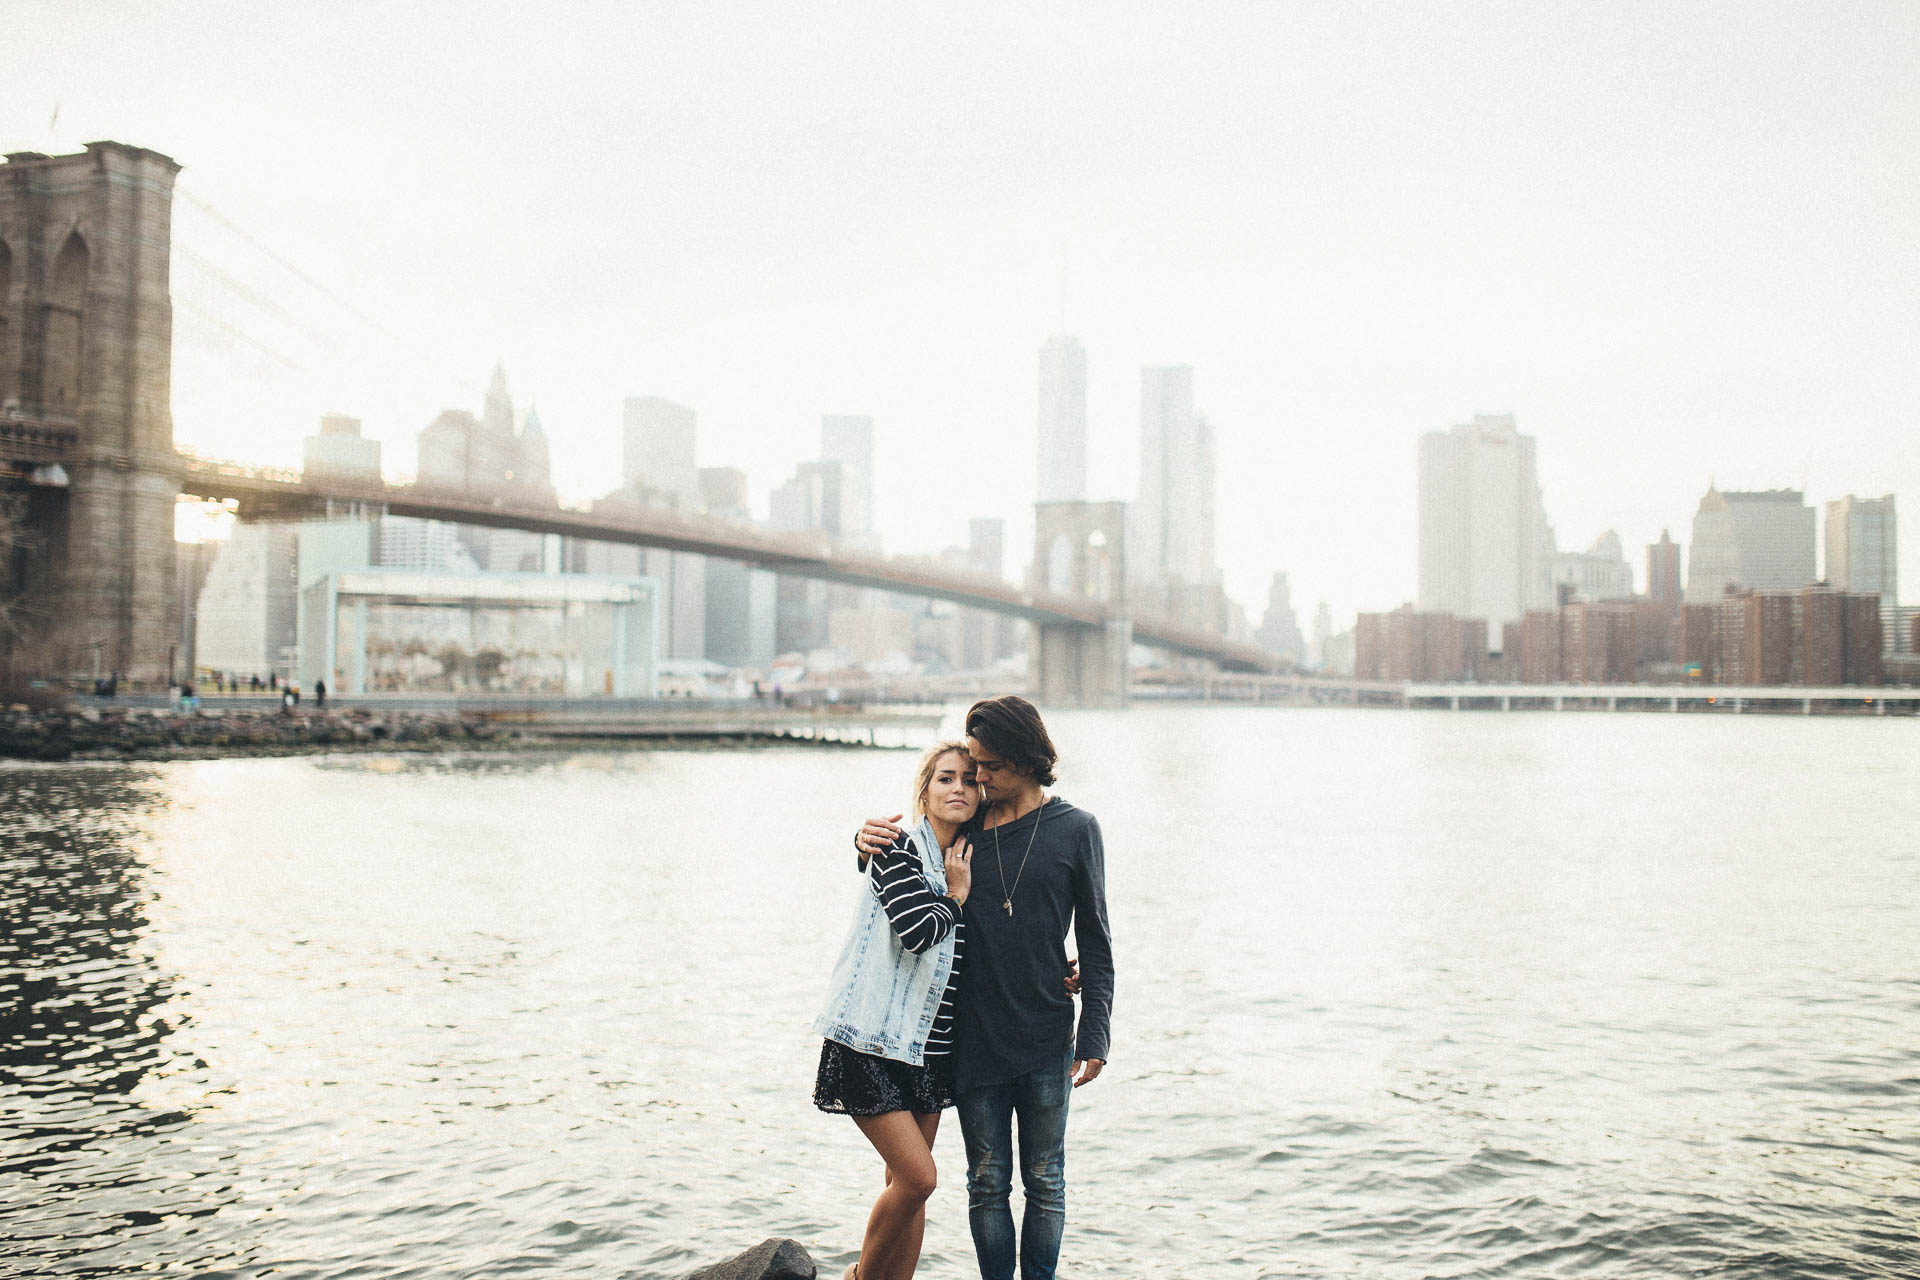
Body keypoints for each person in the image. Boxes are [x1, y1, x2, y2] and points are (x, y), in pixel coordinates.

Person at [856, 695, 1114, 1280]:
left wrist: (1095, 1032)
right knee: (986, 1181)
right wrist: (861, 839)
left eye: (989, 766)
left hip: (1049, 1032)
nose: (976, 777)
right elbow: (903, 862)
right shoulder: (962, 826)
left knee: (1045, 1179)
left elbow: (1096, 940)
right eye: (971, 766)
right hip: (971, 1038)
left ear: (1025, 760)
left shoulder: (1077, 830)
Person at [815, 742, 979, 1280]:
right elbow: (917, 931)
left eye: (971, 780)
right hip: (872, 1044)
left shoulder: (977, 856)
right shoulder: (895, 848)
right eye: (946, 779)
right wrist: (954, 897)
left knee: (907, 1192)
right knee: (919, 1178)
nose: (959, 788)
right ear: (924, 792)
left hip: (929, 1053)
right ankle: (859, 1277)